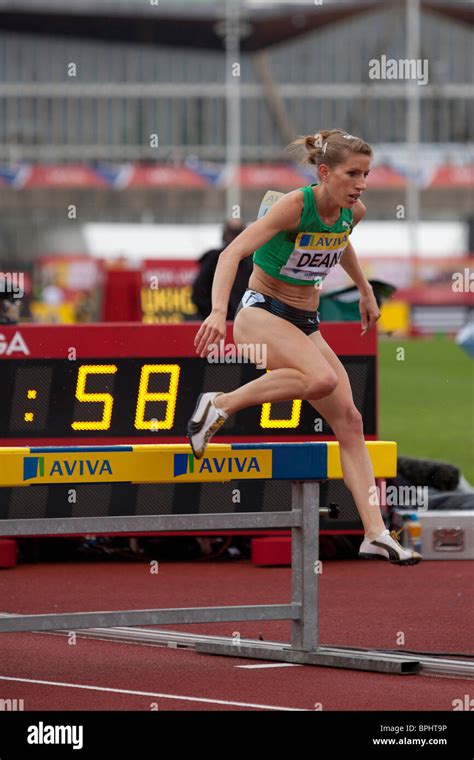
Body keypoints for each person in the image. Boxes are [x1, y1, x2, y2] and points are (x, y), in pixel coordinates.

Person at [187, 128, 422, 566]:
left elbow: (340, 242)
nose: (361, 183)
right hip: (261, 312)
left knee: (350, 421)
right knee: (321, 377)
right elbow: (230, 254)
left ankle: (374, 532)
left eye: (367, 174)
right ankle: (218, 404)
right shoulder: (295, 204)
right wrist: (218, 312)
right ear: (325, 172)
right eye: (353, 173)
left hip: (305, 322)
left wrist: (365, 289)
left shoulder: (354, 211)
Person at [191, 219, 252, 320]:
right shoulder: (212, 259)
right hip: (218, 324)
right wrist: (215, 316)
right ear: (224, 235)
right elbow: (199, 293)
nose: (234, 239)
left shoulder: (254, 261)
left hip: (247, 323)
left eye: (237, 234)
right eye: (231, 234)